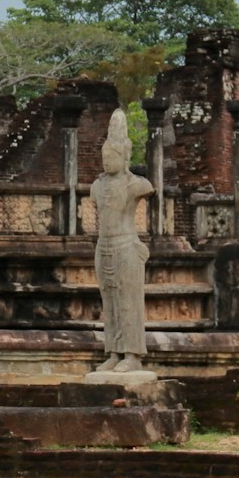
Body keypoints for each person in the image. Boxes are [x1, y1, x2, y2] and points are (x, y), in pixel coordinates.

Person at [90, 108, 154, 374]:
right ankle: (114, 351)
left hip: (127, 247)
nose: (107, 161)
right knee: (111, 303)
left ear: (124, 157)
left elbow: (150, 186)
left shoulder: (135, 185)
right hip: (103, 247)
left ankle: (132, 354)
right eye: (104, 156)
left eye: (112, 156)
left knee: (129, 302)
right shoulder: (97, 186)